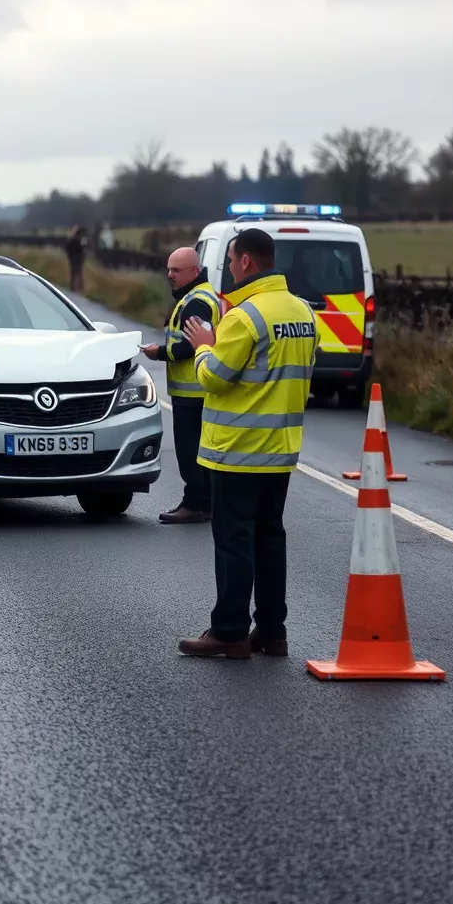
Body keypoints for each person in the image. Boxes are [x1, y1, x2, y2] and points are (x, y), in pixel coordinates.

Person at [177, 228, 319, 659]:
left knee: (234, 539)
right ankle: (272, 632)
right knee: (269, 538)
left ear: (244, 263)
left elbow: (213, 378)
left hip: (237, 450)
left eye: (231, 261)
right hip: (280, 450)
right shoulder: (303, 312)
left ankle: (230, 630)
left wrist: (204, 347)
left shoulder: (243, 317)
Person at [140, 247, 221, 524]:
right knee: (200, 450)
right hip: (198, 390)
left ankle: (195, 503)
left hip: (193, 392)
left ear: (194, 272)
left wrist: (158, 352)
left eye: (176, 270)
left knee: (190, 451)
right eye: (169, 269)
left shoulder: (197, 301)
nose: (169, 275)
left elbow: (190, 346)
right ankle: (206, 502)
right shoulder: (197, 296)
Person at [66, 225, 85, 292]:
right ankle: (77, 288)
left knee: (75, 274)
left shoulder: (73, 240)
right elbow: (81, 250)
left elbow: (68, 250)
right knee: (77, 274)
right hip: (76, 259)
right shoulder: (78, 240)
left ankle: (75, 288)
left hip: (75, 259)